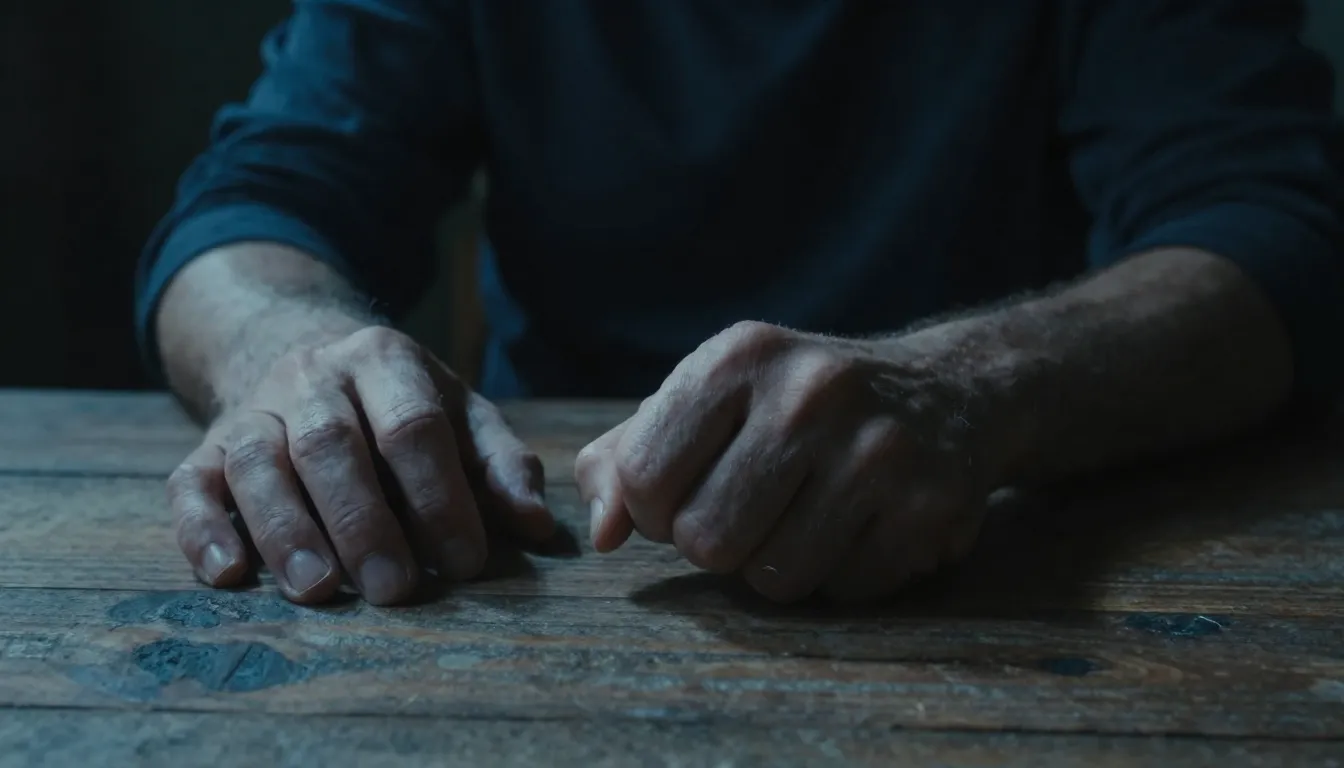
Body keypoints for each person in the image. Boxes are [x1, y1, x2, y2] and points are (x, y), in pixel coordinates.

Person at [138, 0, 1344, 607]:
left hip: (1011, 565)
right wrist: (281, 346)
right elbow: (255, 201)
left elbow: (1278, 235)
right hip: (548, 566)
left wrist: (972, 388)